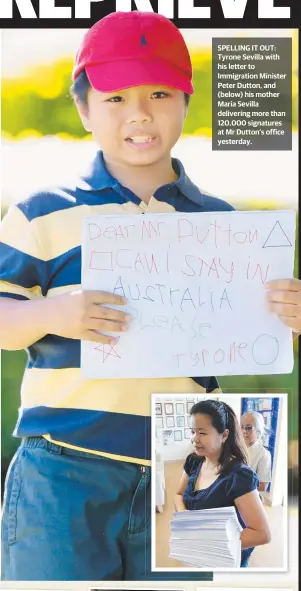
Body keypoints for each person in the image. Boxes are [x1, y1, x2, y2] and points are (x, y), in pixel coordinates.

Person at [0, 9, 299, 581]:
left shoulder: (225, 225)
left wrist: (289, 313)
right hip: (64, 471)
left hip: (184, 471)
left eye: (160, 92)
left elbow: (254, 337)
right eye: (115, 97)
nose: (139, 113)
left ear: (186, 101)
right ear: (84, 107)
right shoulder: (42, 213)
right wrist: (52, 313)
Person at [174, 400, 271, 567]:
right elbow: (179, 495)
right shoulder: (194, 461)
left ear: (224, 435)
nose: (194, 439)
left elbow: (262, 534)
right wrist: (186, 520)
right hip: (197, 553)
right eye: (193, 431)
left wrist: (208, 541)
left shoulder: (239, 476)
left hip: (224, 558)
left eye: (202, 433)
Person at [241, 411, 272, 492]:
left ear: (258, 430)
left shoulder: (264, 454)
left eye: (248, 428)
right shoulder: (237, 447)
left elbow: (263, 486)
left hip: (249, 498)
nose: (244, 431)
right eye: (242, 427)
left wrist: (238, 488)